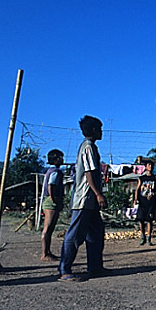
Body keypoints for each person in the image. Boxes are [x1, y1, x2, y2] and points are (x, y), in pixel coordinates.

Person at [58, 116, 108, 282]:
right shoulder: (87, 147)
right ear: (94, 130)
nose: (101, 132)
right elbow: (89, 173)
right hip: (84, 199)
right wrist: (98, 194)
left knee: (96, 233)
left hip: (90, 200)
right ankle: (64, 270)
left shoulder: (92, 147)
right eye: (100, 129)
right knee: (75, 234)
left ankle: (95, 267)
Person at [41, 149, 65, 261]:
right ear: (56, 159)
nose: (62, 159)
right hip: (51, 202)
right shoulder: (55, 172)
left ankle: (48, 252)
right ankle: (44, 253)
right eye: (60, 157)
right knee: (48, 228)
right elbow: (51, 184)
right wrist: (53, 198)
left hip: (49, 200)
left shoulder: (50, 170)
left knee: (50, 229)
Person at [133, 160, 156, 246]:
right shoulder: (141, 178)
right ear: (145, 167)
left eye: (152, 165)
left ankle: (149, 237)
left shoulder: (155, 178)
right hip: (142, 201)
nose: (150, 167)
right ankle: (142, 236)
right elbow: (137, 189)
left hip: (151, 202)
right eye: (149, 165)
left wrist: (153, 194)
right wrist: (135, 199)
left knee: (149, 220)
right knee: (141, 219)